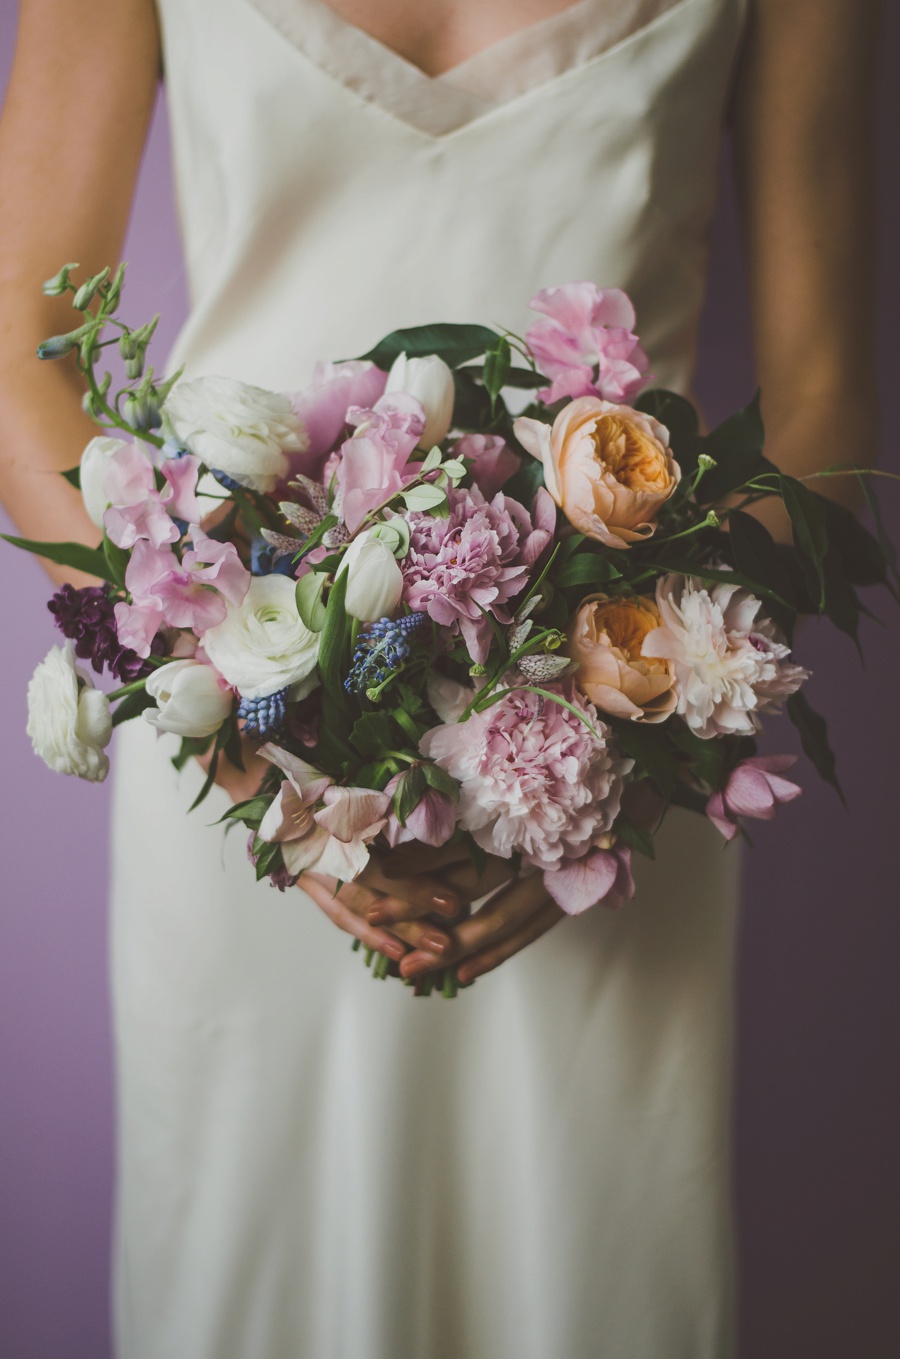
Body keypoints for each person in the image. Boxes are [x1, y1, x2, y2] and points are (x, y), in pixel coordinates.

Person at [0, 1, 878, 1355]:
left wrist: (615, 762)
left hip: (612, 788)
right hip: (245, 768)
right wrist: (229, 720)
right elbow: (22, 347)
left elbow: (821, 403)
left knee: (586, 1282)